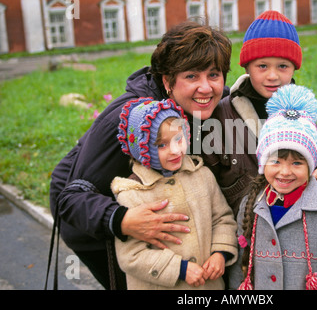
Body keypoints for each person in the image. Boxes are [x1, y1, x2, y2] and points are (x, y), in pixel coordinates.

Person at [49, 21, 232, 289]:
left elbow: (260, 112)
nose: (206, 88)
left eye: (214, 75)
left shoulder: (210, 101)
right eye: (191, 76)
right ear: (167, 80)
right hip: (92, 223)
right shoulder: (131, 119)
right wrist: (120, 220)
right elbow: (71, 198)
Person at [228, 84, 317, 290]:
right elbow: (240, 263)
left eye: (297, 163)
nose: (285, 172)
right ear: (262, 163)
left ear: (311, 165)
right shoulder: (250, 206)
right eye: (276, 161)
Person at [203, 11, 317, 215]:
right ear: (247, 66)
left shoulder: (298, 107)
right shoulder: (222, 113)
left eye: (283, 66)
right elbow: (209, 179)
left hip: (300, 222)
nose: (273, 76)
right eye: (263, 66)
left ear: (294, 68)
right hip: (245, 226)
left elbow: (311, 139)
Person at [111, 98, 237, 289]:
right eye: (162, 145)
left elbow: (223, 218)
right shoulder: (132, 194)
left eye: (179, 139)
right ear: (142, 149)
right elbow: (131, 256)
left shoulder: (202, 175)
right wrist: (179, 268)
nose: (176, 150)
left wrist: (221, 252)